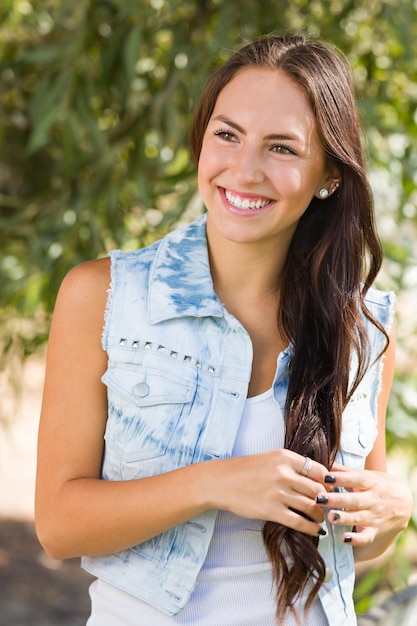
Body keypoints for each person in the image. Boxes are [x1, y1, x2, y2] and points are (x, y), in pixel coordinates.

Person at [35, 34, 413, 626]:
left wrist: (389, 516)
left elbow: (352, 540)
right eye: (227, 134)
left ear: (330, 176)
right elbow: (58, 525)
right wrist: (215, 483)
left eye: (282, 148)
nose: (244, 169)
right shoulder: (104, 297)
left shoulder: (363, 330)